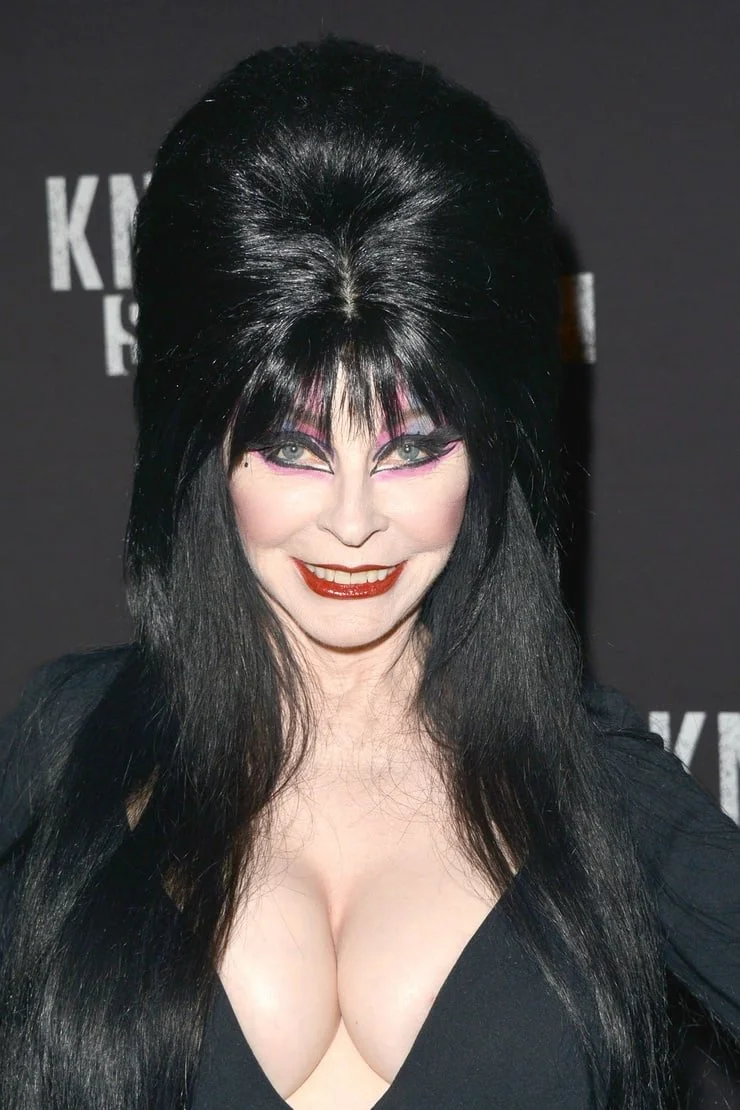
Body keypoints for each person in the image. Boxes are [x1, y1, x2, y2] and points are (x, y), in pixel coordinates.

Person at [0, 36, 738, 1110]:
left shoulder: (589, 778)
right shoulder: (65, 743)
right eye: (293, 449)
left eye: (412, 448)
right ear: (203, 450)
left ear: (492, 451)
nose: (352, 523)